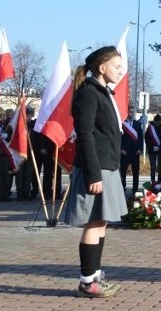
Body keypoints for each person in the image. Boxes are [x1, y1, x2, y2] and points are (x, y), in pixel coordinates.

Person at [63, 46, 128, 298]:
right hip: (96, 168)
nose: (120, 71)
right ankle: (87, 280)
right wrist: (93, 175)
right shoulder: (89, 93)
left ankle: (96, 273)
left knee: (101, 222)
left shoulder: (103, 93)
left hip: (107, 166)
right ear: (102, 68)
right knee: (92, 222)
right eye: (116, 66)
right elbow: (85, 136)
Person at [13, 105, 37, 201]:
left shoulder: (33, 126)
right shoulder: (20, 125)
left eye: (31, 115)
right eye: (27, 115)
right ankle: (20, 193)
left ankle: (26, 192)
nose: (29, 117)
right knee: (20, 174)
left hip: (30, 153)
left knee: (28, 174)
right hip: (20, 152)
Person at [0, 108, 14, 202]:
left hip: (6, 155)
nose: (2, 118)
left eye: (3, 116)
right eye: (0, 117)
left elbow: (12, 141)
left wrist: (7, 137)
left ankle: (6, 195)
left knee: (7, 177)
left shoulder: (9, 127)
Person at [119, 107, 142, 196]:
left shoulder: (137, 124)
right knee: (123, 171)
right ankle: (123, 187)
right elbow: (119, 137)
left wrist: (140, 149)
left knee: (135, 171)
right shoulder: (122, 123)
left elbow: (140, 137)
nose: (132, 114)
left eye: (133, 112)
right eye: (130, 112)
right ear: (127, 113)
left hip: (135, 152)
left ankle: (135, 189)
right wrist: (121, 149)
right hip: (125, 151)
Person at [144, 114, 161, 184]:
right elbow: (147, 138)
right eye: (156, 122)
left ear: (160, 121)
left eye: (158, 122)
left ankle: (159, 182)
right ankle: (152, 181)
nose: (157, 123)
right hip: (152, 150)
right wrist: (152, 147)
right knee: (153, 167)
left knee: (160, 167)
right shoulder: (151, 127)